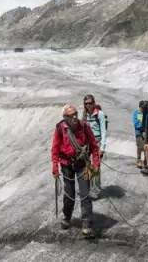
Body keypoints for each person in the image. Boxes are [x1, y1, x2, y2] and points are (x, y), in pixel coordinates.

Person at [51, 104, 101, 238]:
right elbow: (55, 149)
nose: (74, 117)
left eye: (75, 114)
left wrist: (96, 163)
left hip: (82, 164)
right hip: (66, 165)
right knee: (69, 194)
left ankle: (86, 223)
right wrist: (55, 167)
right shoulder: (60, 128)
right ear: (65, 117)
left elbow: (94, 146)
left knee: (85, 194)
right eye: (70, 115)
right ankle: (67, 217)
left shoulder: (84, 126)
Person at [82, 94, 107, 199]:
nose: (89, 105)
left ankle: (96, 188)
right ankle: (89, 188)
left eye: (90, 103)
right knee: (88, 166)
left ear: (94, 103)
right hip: (87, 144)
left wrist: (103, 147)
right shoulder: (84, 115)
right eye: (86, 103)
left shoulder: (100, 114)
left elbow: (103, 131)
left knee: (96, 167)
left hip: (97, 142)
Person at [132, 100, 148, 168]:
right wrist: (141, 125)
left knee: (146, 146)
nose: (143, 109)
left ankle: (145, 160)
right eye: (142, 108)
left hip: (145, 132)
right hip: (139, 132)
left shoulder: (146, 113)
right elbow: (136, 123)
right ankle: (138, 160)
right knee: (139, 146)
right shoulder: (136, 113)